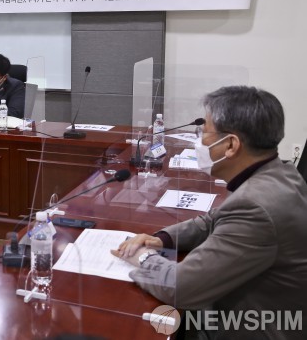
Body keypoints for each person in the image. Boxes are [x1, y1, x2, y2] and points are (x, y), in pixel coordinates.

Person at [111, 86, 307, 339]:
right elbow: (213, 219)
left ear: (231, 145)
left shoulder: (255, 206)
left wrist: (143, 257)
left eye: (204, 132)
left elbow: (180, 288)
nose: (199, 141)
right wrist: (162, 239)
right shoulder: (280, 172)